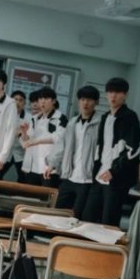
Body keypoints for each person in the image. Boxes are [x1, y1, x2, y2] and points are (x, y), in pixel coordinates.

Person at [82, 77, 140, 227]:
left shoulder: (129, 117)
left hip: (117, 178)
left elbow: (134, 149)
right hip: (100, 174)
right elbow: (100, 147)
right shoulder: (105, 117)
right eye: (110, 92)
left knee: (109, 220)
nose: (113, 96)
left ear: (125, 94)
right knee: (88, 217)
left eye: (117, 92)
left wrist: (114, 171)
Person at [45, 85, 101, 218]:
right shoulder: (72, 122)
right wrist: (52, 164)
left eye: (89, 100)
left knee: (76, 215)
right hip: (70, 175)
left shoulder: (101, 123)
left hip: (87, 178)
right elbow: (61, 145)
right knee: (58, 211)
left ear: (97, 102)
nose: (85, 103)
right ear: (78, 101)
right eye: (83, 99)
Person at [20, 86, 67, 188]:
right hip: (33, 167)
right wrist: (24, 133)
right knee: (29, 195)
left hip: (49, 168)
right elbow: (25, 142)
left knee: (47, 195)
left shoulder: (61, 118)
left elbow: (58, 139)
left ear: (53, 101)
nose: (42, 101)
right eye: (40, 98)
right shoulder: (34, 119)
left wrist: (35, 142)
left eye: (46, 98)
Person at [10, 90, 29, 183]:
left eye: (20, 100)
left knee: (24, 179)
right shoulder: (6, 115)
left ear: (24, 103)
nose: (17, 102)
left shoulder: (29, 118)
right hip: (7, 151)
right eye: (15, 100)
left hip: (21, 153)